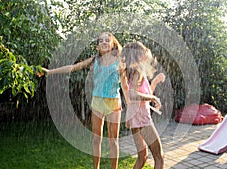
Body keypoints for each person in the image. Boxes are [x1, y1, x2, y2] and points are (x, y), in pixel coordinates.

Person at [37, 32, 124, 169]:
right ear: (98, 47)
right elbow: (73, 68)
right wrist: (49, 72)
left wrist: (131, 104)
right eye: (101, 41)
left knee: (113, 141)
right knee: (97, 139)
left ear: (113, 43)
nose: (104, 42)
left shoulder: (120, 61)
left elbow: (125, 85)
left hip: (113, 103)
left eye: (107, 40)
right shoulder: (94, 61)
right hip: (97, 102)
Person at [119, 41, 165, 169]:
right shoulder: (137, 71)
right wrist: (154, 97)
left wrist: (155, 82)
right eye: (143, 49)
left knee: (142, 156)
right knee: (159, 157)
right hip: (142, 119)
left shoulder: (132, 71)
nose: (147, 51)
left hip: (135, 118)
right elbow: (134, 95)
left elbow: (143, 93)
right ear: (138, 54)